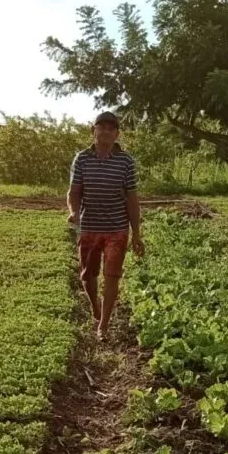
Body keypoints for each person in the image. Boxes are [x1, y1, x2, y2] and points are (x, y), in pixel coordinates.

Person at [67, 111, 146, 342]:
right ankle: (95, 307)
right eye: (101, 127)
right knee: (88, 275)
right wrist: (73, 212)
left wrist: (137, 234)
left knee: (112, 276)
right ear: (93, 132)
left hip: (117, 229)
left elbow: (132, 198)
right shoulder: (81, 159)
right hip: (89, 226)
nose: (106, 131)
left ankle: (103, 324)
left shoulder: (126, 162)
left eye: (111, 128)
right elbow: (74, 192)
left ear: (117, 134)